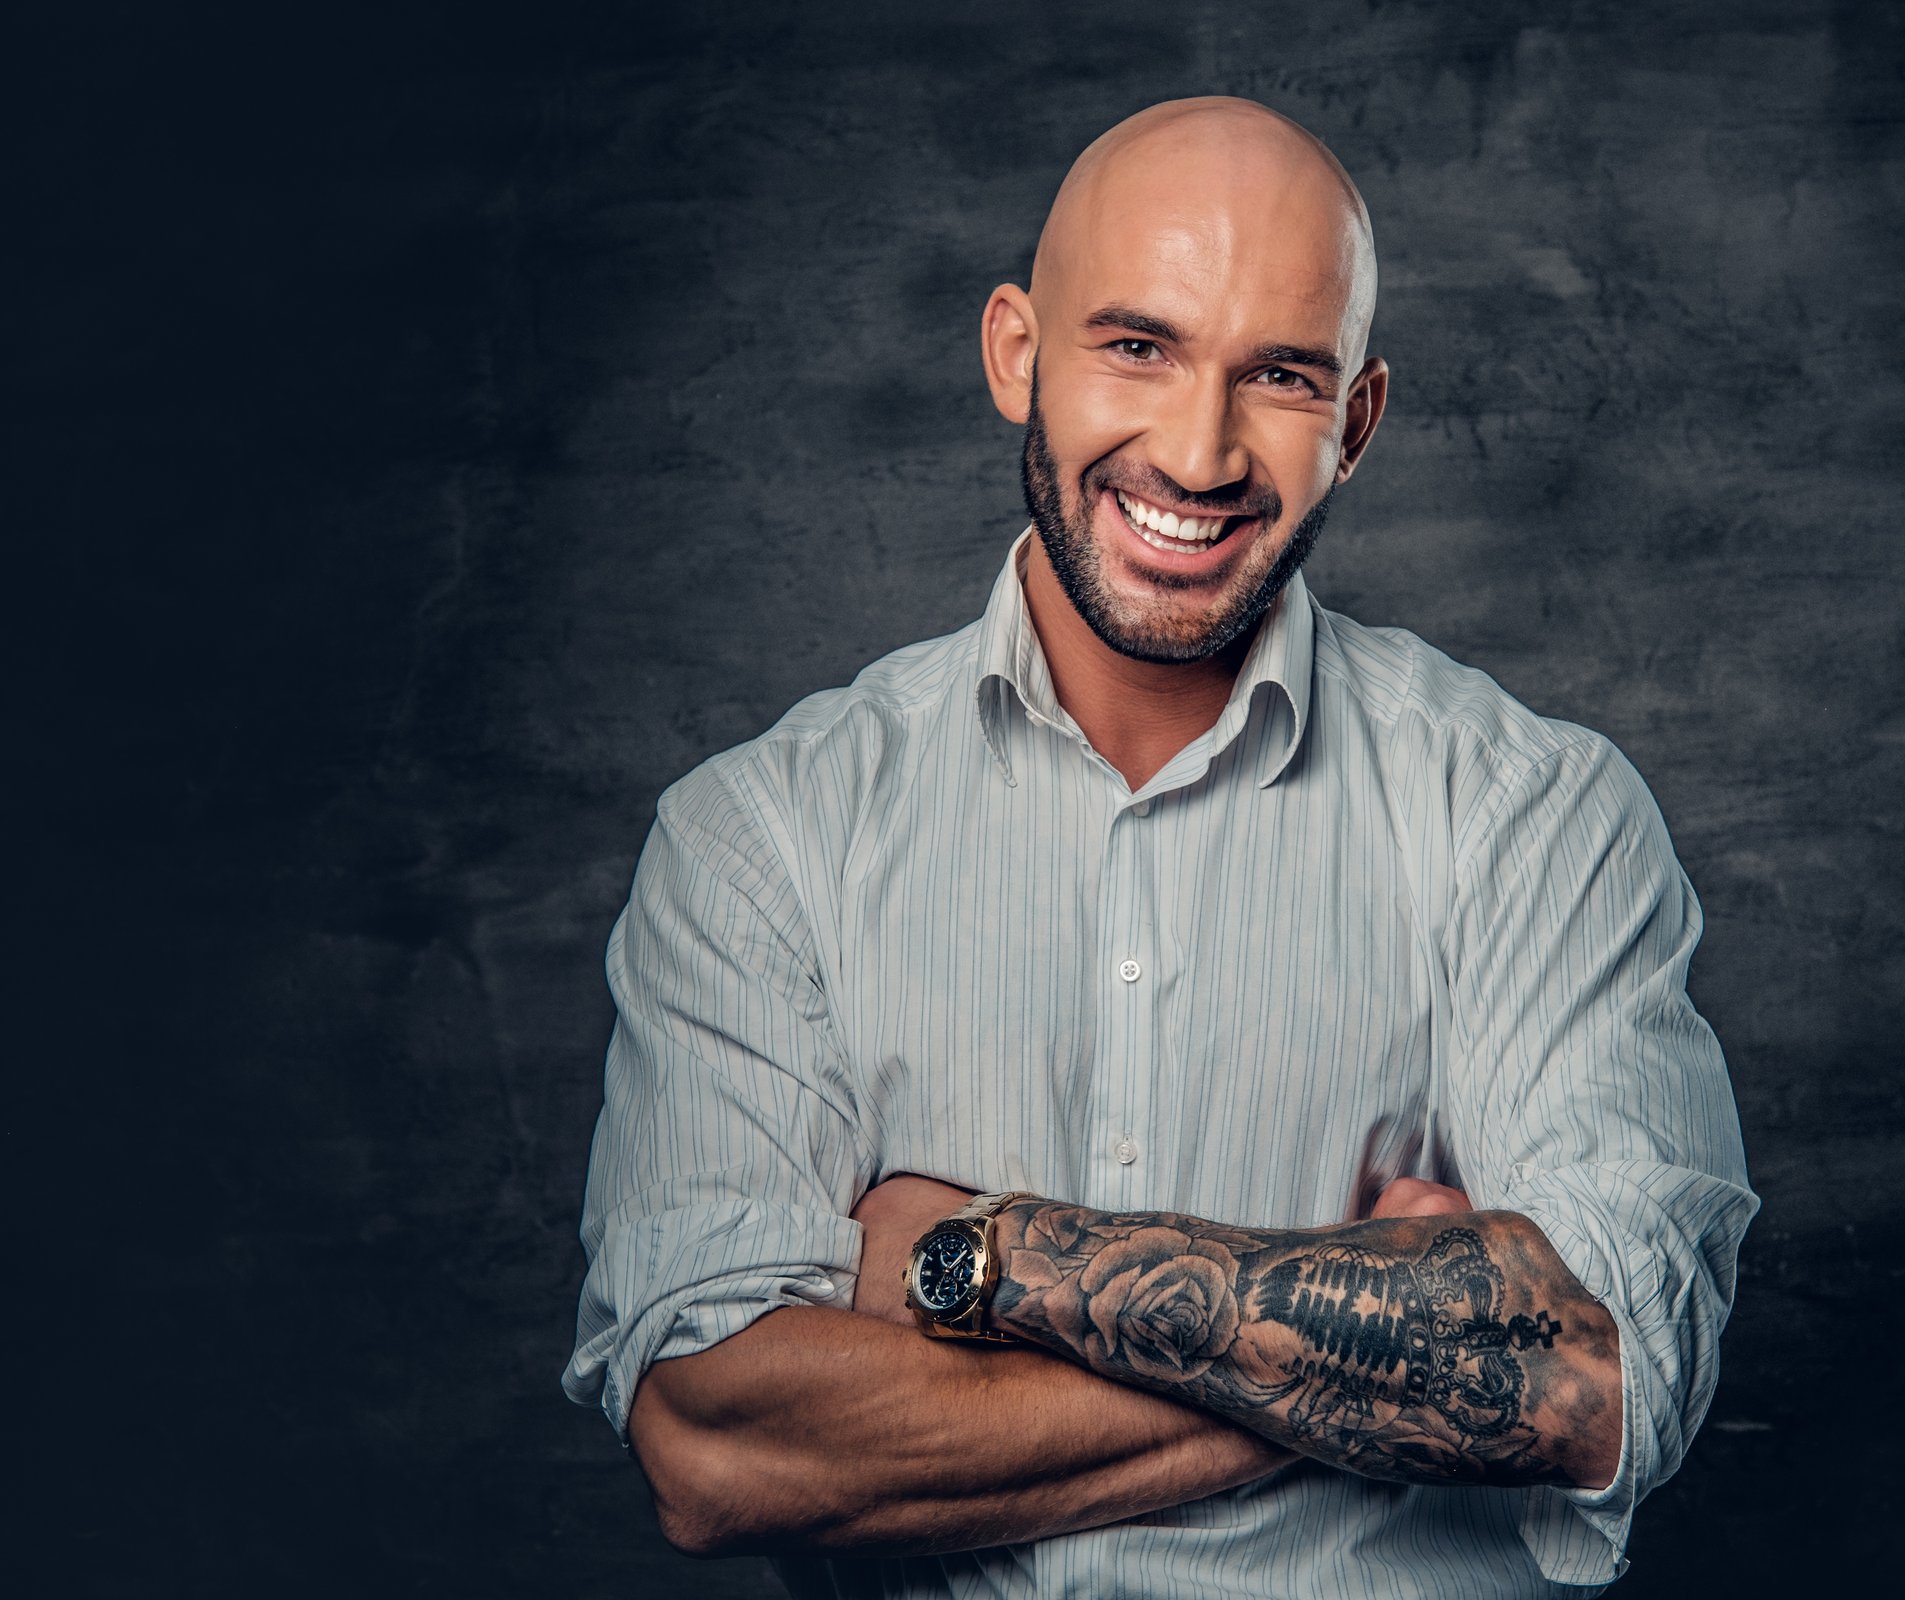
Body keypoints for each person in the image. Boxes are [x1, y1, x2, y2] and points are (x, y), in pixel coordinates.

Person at [563, 96, 1756, 1596]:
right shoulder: (762, 841)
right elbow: (713, 1445)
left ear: (1358, 422)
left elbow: (1602, 1374)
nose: (1198, 453)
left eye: (1279, 376)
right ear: (1017, 353)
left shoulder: (1532, 816)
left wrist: (998, 1261)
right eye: (1137, 346)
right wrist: (1363, 1331)